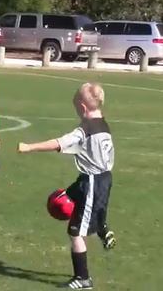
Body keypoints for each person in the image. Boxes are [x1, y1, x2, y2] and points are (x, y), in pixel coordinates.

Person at [17, 82, 116, 290]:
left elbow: (59, 142)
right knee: (72, 199)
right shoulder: (103, 124)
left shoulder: (85, 128)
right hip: (102, 178)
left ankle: (83, 278)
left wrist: (29, 147)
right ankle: (102, 228)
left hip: (91, 181)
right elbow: (88, 150)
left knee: (75, 232)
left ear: (82, 107)